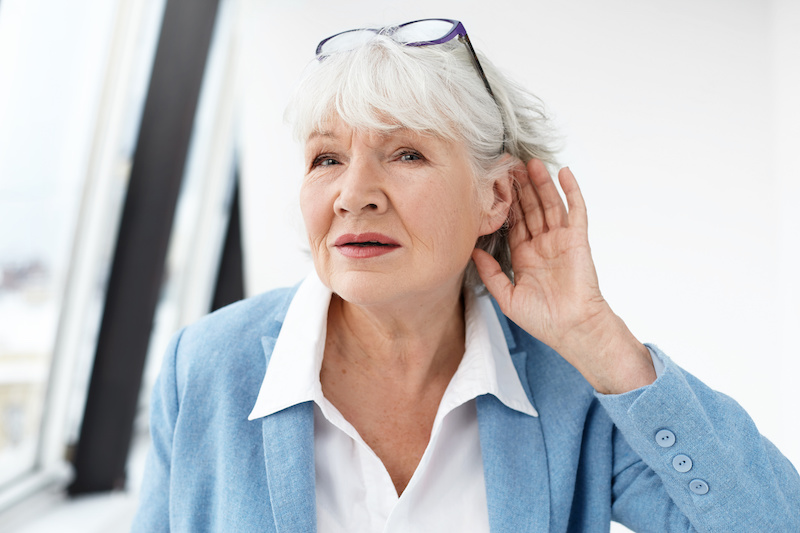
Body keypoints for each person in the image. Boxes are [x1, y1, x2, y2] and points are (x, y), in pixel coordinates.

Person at [131, 19, 800, 532]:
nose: (354, 193)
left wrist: (597, 336)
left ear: (497, 198)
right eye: (326, 159)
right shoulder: (206, 368)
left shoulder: (569, 382)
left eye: (407, 152)